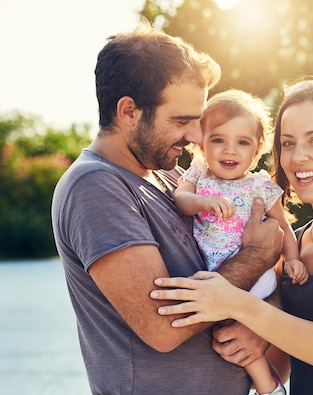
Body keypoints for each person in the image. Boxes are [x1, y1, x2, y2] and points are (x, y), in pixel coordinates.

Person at [51, 22, 284, 395]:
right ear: (128, 111)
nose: (195, 137)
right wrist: (257, 255)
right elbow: (162, 327)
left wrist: (260, 321)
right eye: (181, 121)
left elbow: (257, 271)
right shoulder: (94, 186)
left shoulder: (174, 178)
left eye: (197, 120)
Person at [150, 73, 313, 394]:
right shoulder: (295, 240)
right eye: (288, 143)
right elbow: (282, 365)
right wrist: (252, 337)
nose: (297, 156)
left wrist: (236, 303)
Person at [174, 89, 308, 395]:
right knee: (228, 331)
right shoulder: (199, 175)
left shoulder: (260, 185)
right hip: (217, 270)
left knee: (231, 322)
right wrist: (201, 202)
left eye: (242, 142)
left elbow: (284, 227)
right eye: (218, 139)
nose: (229, 151)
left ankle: (266, 385)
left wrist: (294, 259)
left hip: (256, 276)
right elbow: (181, 199)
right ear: (201, 143)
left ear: (258, 148)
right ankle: (270, 385)